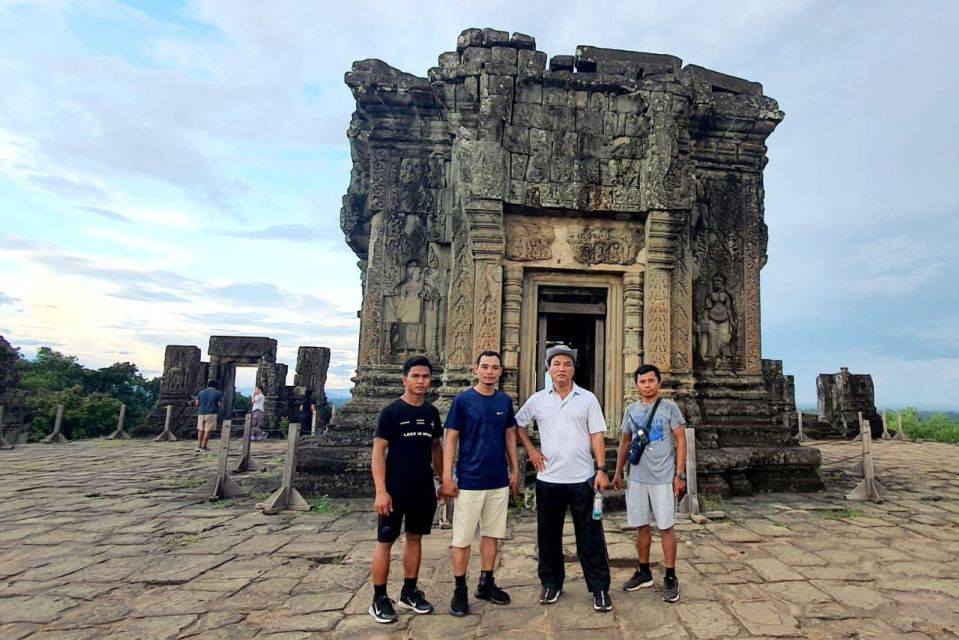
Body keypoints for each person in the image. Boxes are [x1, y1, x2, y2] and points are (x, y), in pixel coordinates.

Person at [515, 344, 613, 612]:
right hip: (549, 480)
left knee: (590, 537)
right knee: (548, 535)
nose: (561, 369)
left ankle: (599, 588)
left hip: (583, 479)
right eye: (556, 364)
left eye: (567, 364)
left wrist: (602, 469)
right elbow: (517, 424)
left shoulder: (587, 398)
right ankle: (551, 583)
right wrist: (532, 451)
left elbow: (596, 435)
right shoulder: (538, 399)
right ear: (548, 368)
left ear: (573, 369)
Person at [442, 350, 520, 617]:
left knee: (492, 534)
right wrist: (447, 476)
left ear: (500, 371)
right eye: (485, 367)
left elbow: (510, 436)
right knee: (462, 538)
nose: (489, 371)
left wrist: (515, 470)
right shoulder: (463, 401)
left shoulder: (504, 401)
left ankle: (486, 582)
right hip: (469, 479)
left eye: (494, 367)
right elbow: (451, 437)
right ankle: (460, 588)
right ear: (475, 369)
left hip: (497, 478)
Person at [368, 356, 444, 624]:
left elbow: (436, 447)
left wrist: (444, 479)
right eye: (416, 376)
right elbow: (379, 451)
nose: (421, 381)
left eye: (425, 377)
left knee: (415, 538)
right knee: (385, 541)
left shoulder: (431, 413)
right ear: (405, 380)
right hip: (394, 487)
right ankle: (379, 598)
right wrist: (381, 491)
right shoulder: (391, 412)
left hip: (422, 486)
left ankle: (409, 591)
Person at [612, 364, 687, 603]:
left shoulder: (669, 407)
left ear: (659, 382)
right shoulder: (631, 410)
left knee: (666, 526)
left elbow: (681, 440)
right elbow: (625, 442)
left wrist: (679, 474)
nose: (647, 385)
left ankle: (671, 576)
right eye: (642, 382)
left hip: (663, 476)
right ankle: (643, 571)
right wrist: (617, 473)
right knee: (641, 526)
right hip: (637, 476)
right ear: (636, 385)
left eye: (651, 381)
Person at [193, 379, 222, 452]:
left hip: (201, 412)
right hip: (211, 413)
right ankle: (204, 446)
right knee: (207, 430)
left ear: (208, 385)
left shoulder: (201, 392)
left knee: (200, 430)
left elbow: (196, 404)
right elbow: (219, 404)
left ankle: (198, 445)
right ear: (216, 386)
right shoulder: (218, 393)